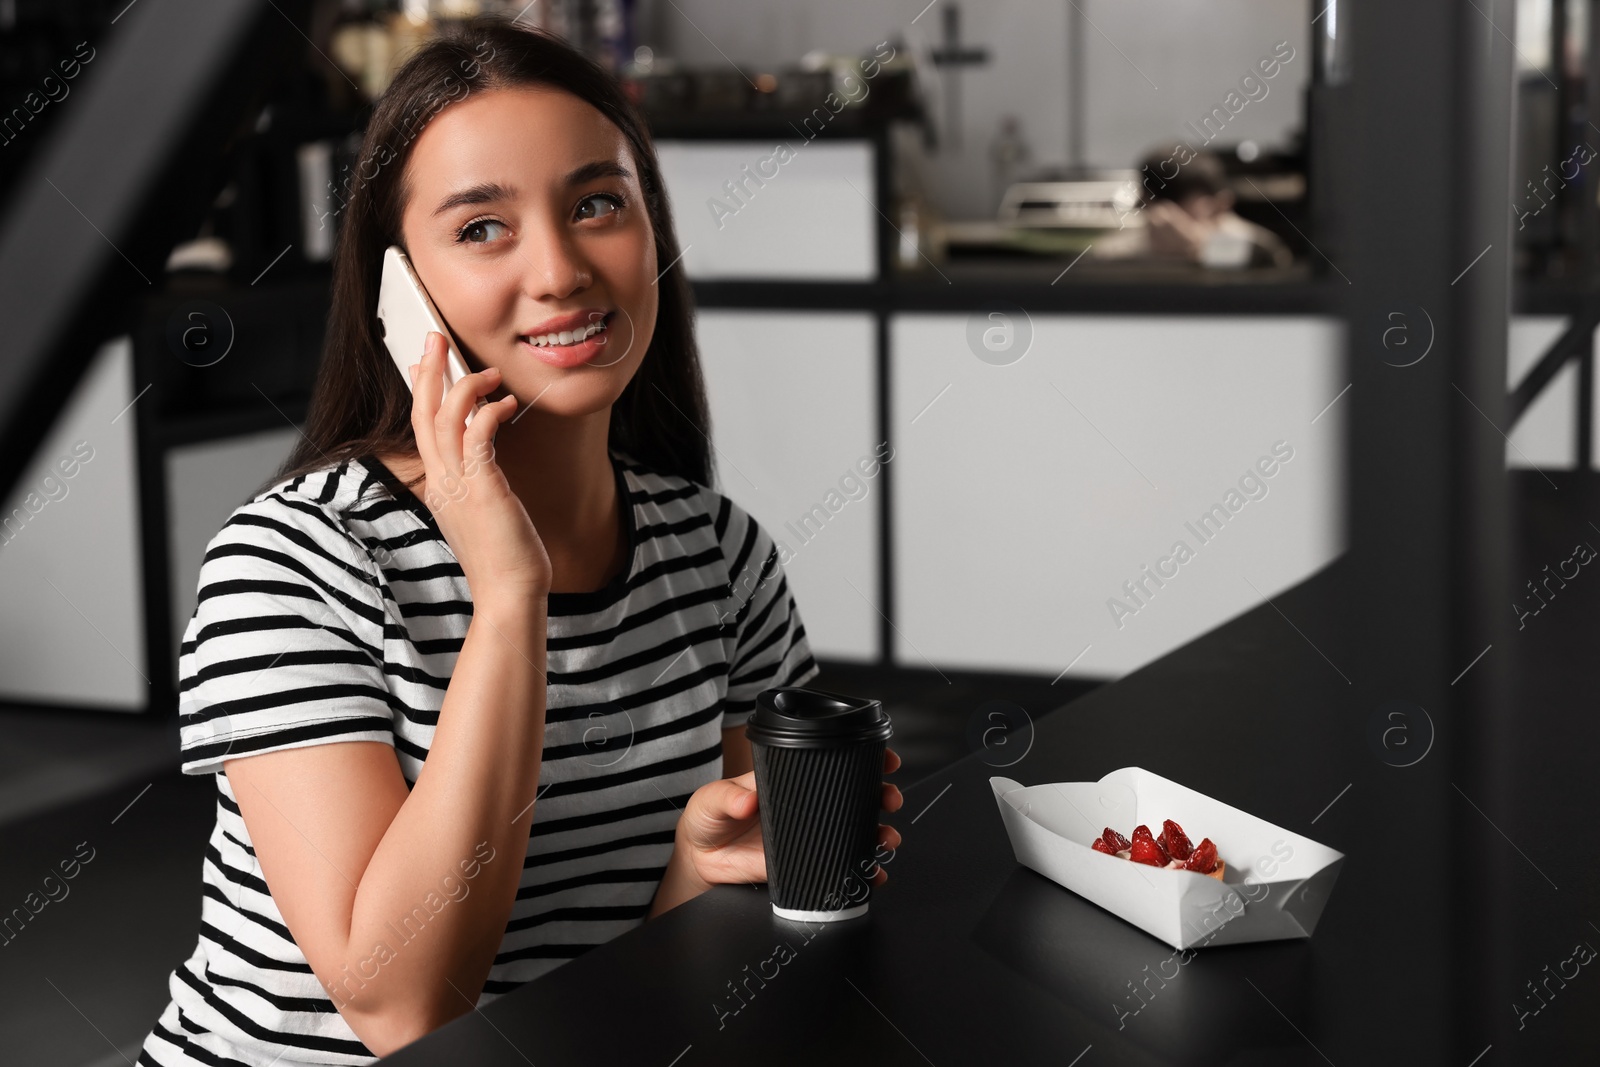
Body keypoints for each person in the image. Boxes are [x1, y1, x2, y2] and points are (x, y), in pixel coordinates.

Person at [138, 17, 902, 1065]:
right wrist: (507, 594)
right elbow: (405, 1008)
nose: (560, 270)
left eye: (597, 205)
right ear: (401, 293)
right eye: (482, 228)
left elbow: (652, 979)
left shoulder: (721, 557)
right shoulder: (291, 564)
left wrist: (692, 871)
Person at [1092, 148, 1293, 269]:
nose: (1170, 226)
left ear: (1221, 205)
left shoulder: (1259, 249)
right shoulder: (1115, 253)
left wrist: (1201, 249)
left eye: (1191, 215)